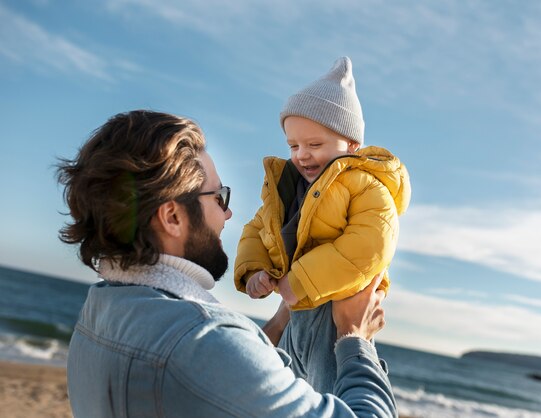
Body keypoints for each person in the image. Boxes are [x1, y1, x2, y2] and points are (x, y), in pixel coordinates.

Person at [57, 110, 397, 417]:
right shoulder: (203, 342)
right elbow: (216, 362)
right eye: (219, 198)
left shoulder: (95, 318)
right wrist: (356, 340)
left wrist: (279, 324)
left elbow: (227, 385)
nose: (228, 213)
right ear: (172, 216)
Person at [234, 57, 411, 392]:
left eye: (315, 145)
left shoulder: (366, 185)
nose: (302, 155)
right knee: (281, 399)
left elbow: (368, 248)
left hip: (335, 316)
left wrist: (299, 281)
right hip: (294, 314)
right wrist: (255, 270)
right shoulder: (290, 189)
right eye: (294, 145)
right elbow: (258, 229)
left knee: (334, 399)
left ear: (352, 145)